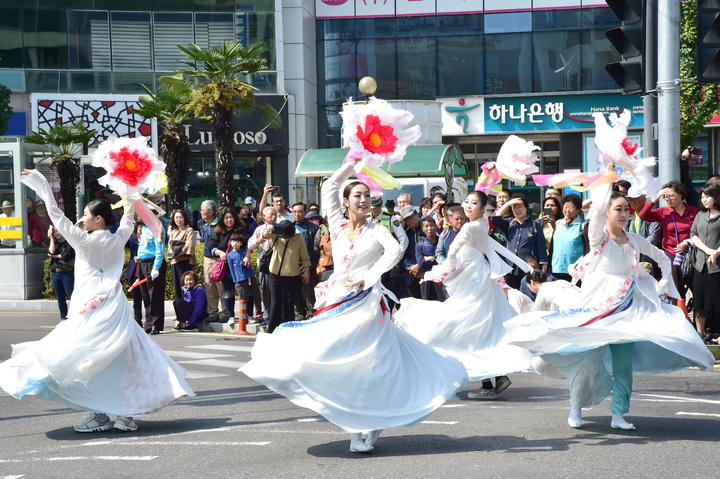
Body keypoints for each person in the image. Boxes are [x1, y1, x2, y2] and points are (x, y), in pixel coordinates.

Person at [240, 161, 467, 453]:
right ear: (346, 202)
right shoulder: (335, 223)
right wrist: (353, 161)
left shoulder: (375, 230)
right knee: (325, 357)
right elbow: (330, 186)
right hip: (336, 300)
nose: (363, 199)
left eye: (366, 195)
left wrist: (369, 276)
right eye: (356, 195)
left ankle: (365, 425)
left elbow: (396, 249)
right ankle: (358, 420)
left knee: (368, 367)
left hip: (366, 306)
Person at [505, 179, 714, 431]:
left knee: (623, 365)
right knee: (586, 359)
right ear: (607, 211)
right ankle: (575, 407)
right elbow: (595, 218)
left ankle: (618, 415)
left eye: (627, 209)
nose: (624, 214)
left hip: (628, 313)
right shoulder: (599, 238)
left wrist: (662, 286)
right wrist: (605, 180)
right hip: (598, 311)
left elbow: (661, 257)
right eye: (618, 209)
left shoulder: (635, 240)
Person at [0, 169, 194, 433]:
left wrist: (43, 184)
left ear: (99, 219)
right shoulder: (118, 238)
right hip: (115, 308)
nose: (81, 219)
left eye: (86, 215)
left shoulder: (83, 241)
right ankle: (123, 414)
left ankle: (102, 414)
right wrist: (130, 193)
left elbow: (56, 216)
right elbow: (128, 215)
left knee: (85, 360)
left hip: (90, 309)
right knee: (121, 359)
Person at [395, 190, 533, 400]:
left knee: (466, 326)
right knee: (484, 327)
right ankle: (494, 378)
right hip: (481, 275)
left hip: (473, 279)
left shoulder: (469, 227)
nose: (468, 205)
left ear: (482, 207)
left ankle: (486, 378)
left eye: (474, 203)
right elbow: (495, 216)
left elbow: (452, 254)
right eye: (467, 201)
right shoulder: (484, 222)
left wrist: (436, 273)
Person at [639, 180, 699, 298]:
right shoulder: (663, 212)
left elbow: (698, 232)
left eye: (671, 196)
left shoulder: (694, 211)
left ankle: (700, 312)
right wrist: (655, 198)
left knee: (695, 283)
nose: (668, 199)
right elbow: (643, 215)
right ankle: (678, 310)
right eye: (665, 197)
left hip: (691, 250)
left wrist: (688, 243)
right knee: (674, 285)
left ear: (681, 194)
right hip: (671, 252)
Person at [256, 220, 310, 333]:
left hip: (291, 275)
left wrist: (307, 271)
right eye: (283, 236)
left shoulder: (298, 237)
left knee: (289, 303)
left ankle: (288, 328)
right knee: (275, 302)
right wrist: (268, 229)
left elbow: (305, 256)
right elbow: (264, 237)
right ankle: (271, 329)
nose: (285, 238)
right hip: (274, 274)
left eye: (287, 236)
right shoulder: (276, 233)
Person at [493, 193, 548, 288]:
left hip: (527, 269)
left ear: (526, 208)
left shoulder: (535, 225)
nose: (517, 210)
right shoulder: (509, 223)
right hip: (509, 270)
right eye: (514, 207)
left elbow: (541, 246)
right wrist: (508, 203)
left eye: (520, 207)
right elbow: (495, 218)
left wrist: (543, 264)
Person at [689, 182, 720, 339]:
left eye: (707, 196)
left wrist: (716, 253)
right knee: (699, 302)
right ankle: (699, 334)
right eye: (702, 197)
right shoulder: (700, 215)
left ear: (716, 196)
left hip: (717, 267)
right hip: (700, 264)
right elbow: (693, 234)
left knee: (716, 301)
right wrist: (708, 251)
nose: (704, 199)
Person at [210, 207, 246, 326]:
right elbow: (211, 247)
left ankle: (246, 315)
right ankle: (231, 316)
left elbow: (248, 245)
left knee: (244, 292)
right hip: (227, 268)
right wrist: (220, 253)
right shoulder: (218, 231)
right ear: (222, 219)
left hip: (241, 267)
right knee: (228, 292)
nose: (229, 220)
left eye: (231, 217)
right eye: (226, 218)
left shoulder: (242, 230)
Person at [137, 212, 167, 335]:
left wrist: (156, 267)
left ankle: (156, 323)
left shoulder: (158, 229)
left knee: (155, 295)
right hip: (143, 263)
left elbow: (159, 250)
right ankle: (148, 323)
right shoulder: (144, 228)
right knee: (145, 295)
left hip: (153, 263)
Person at [200, 200, 228, 322]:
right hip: (207, 259)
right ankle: (212, 313)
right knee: (209, 286)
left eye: (203, 210)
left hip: (218, 260)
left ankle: (225, 313)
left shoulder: (220, 226)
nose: (201, 212)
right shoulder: (202, 225)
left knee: (221, 287)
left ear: (211, 212)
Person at [248, 206, 278, 322]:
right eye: (271, 215)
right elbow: (250, 245)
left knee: (277, 291)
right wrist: (258, 240)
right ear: (264, 217)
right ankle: (267, 316)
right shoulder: (259, 229)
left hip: (277, 264)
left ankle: (277, 316)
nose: (274, 217)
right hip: (264, 265)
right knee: (265, 291)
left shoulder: (280, 227)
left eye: (275, 214)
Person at [292, 202, 322, 320]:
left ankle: (311, 314)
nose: (297, 214)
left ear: (305, 213)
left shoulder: (313, 228)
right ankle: (298, 314)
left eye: (300, 211)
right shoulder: (290, 227)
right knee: (296, 291)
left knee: (310, 291)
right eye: (294, 211)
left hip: (309, 264)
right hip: (293, 264)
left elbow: (316, 248)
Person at [626, 184, 662, 278]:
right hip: (632, 258)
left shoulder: (654, 216)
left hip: (648, 259)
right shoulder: (629, 218)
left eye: (635, 199)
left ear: (644, 198)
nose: (632, 202)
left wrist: (636, 247)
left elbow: (653, 239)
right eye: (630, 200)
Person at [227, 231, 263, 322]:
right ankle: (244, 316)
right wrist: (235, 281)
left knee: (256, 295)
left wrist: (247, 258)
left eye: (237, 241)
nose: (234, 243)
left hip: (250, 276)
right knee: (243, 298)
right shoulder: (230, 255)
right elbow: (231, 269)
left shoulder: (244, 250)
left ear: (241, 243)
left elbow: (249, 248)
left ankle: (259, 313)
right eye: (233, 241)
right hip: (240, 280)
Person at [551, 194, 586, 282]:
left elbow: (587, 249)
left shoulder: (583, 225)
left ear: (578, 209)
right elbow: (552, 246)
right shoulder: (558, 224)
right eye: (565, 207)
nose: (567, 210)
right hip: (557, 269)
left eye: (571, 207)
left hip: (575, 271)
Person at [167, 209, 197, 300]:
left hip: (184, 261)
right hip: (174, 263)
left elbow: (189, 246)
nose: (178, 219)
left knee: (186, 287)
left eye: (180, 217)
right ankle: (180, 311)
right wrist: (171, 254)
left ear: (185, 218)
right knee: (177, 288)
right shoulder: (173, 232)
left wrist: (176, 253)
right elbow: (169, 247)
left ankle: (188, 310)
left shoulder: (189, 230)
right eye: (176, 217)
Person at [48, 225, 75, 320]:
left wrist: (56, 256)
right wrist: (51, 239)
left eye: (58, 231)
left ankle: (75, 318)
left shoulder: (69, 242)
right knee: (60, 299)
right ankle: (63, 319)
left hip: (67, 273)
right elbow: (51, 252)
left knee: (73, 297)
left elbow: (66, 256)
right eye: (54, 232)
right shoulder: (54, 242)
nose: (57, 233)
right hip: (56, 273)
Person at [416, 216, 444, 301]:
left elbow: (446, 259)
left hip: (442, 277)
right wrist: (435, 260)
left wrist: (429, 258)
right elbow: (421, 264)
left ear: (436, 226)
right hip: (427, 278)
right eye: (426, 226)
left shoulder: (442, 241)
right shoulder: (420, 245)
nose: (429, 229)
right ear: (422, 228)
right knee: (428, 303)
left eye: (431, 225)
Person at [540, 196, 562, 266]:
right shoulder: (538, 223)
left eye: (552, 205)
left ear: (557, 208)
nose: (550, 208)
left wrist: (555, 227)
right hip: (541, 258)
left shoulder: (561, 223)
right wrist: (541, 225)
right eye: (547, 205)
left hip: (555, 257)